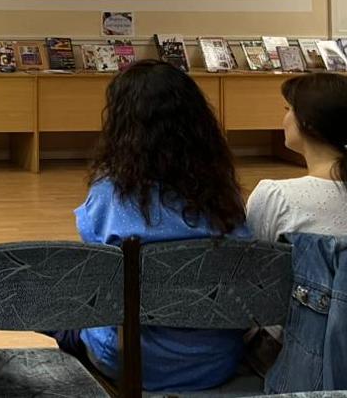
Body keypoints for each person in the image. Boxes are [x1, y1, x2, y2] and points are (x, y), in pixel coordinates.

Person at [68, 59, 250, 392]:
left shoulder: (110, 195)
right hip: (215, 362)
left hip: (131, 362)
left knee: (66, 314)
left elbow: (95, 277)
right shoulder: (225, 196)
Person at [247, 72, 347, 241]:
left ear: (307, 122)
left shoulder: (276, 197)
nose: (284, 119)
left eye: (288, 109)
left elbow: (254, 254)